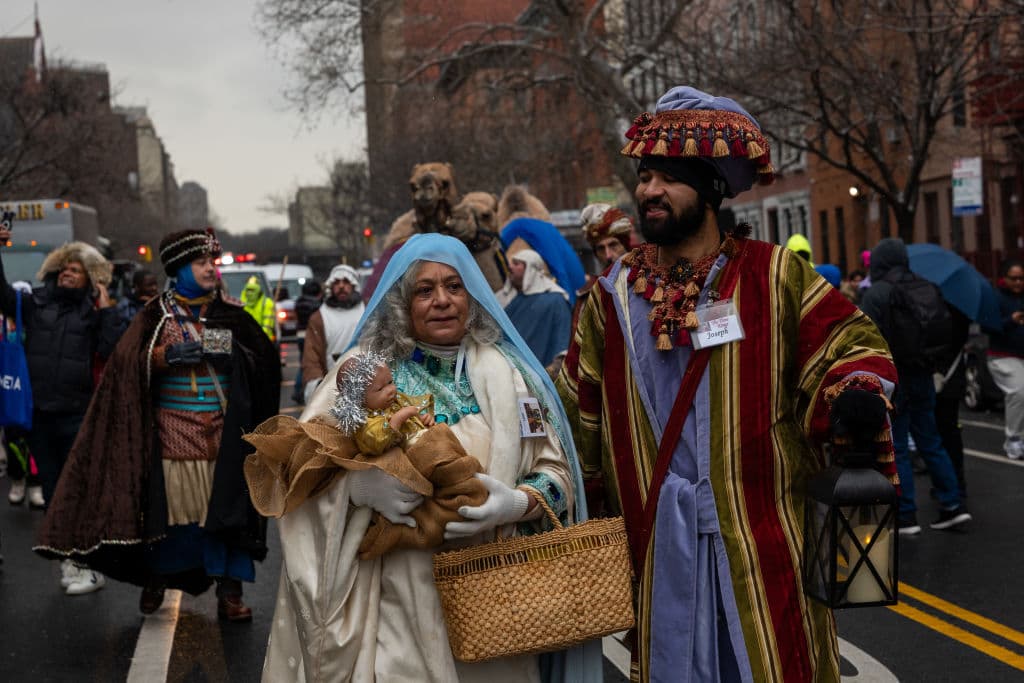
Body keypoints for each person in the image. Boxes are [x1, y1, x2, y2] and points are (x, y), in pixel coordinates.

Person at [557, 85, 898, 682]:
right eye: (644, 176)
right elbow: (575, 410)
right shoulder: (608, 299)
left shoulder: (774, 276)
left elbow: (853, 345)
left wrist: (853, 396)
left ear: (711, 188)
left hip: (762, 540)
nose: (649, 191)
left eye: (670, 177)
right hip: (658, 548)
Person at [260, 233, 601, 682]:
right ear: (403, 302)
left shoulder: (511, 376)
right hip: (396, 614)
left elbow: (557, 473)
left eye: (454, 287)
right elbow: (299, 474)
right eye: (425, 290)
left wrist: (516, 503)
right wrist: (356, 490)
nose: (441, 300)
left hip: (497, 615)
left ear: (473, 296)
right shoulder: (363, 374)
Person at [34, 228, 281, 619]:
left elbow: (258, 361)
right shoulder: (154, 316)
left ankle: (229, 593)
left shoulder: (228, 311)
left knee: (225, 516)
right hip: (170, 436)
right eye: (200, 263)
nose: (209, 270)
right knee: (171, 520)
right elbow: (125, 366)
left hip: (221, 436)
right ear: (179, 268)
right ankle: (155, 581)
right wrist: (164, 356)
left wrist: (229, 351)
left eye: (211, 263)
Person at [0, 229, 123, 595]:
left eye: (76, 270)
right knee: (54, 492)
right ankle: (71, 561)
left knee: (79, 491)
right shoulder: (36, 303)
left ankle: (86, 564)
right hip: (40, 415)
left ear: (90, 279)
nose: (68, 273)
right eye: (64, 268)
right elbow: (2, 295)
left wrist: (106, 309)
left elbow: (111, 349)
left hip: (78, 415)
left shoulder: (92, 311)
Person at [860, 237, 970, 534]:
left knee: (898, 448)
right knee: (931, 440)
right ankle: (953, 504)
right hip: (924, 373)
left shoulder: (877, 293)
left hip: (895, 378)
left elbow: (865, 337)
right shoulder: (927, 286)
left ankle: (906, 514)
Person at [301, 265, 365, 404]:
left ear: (354, 285)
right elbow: (311, 357)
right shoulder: (319, 318)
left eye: (346, 282)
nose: (341, 286)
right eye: (337, 282)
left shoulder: (367, 311)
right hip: (332, 390)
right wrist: (317, 385)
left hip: (368, 386)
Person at [504, 249, 573, 367]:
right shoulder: (513, 300)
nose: (510, 267)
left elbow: (562, 343)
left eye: (516, 264)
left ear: (531, 269)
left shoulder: (557, 301)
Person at [987, 259, 1024, 460]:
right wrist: (1011, 321)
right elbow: (988, 327)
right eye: (1014, 278)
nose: (1018, 282)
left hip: (1021, 355)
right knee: (1019, 392)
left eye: (1021, 278)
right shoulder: (997, 298)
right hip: (1002, 356)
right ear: (1005, 279)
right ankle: (1014, 440)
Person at [288, 279, 323, 405]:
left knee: (302, 361)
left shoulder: (299, 302)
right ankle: (298, 391)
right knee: (307, 362)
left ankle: (298, 390)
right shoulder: (317, 305)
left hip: (300, 335)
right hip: (311, 335)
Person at [579, 203, 633, 270]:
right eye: (601, 248)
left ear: (625, 246)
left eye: (613, 245)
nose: (608, 256)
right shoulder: (594, 280)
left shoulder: (644, 275)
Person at [241, 275, 276, 342]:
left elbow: (267, 325)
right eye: (248, 290)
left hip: (264, 341)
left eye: (252, 290)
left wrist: (260, 337)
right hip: (247, 342)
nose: (250, 293)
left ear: (258, 290)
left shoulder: (267, 303)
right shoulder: (241, 303)